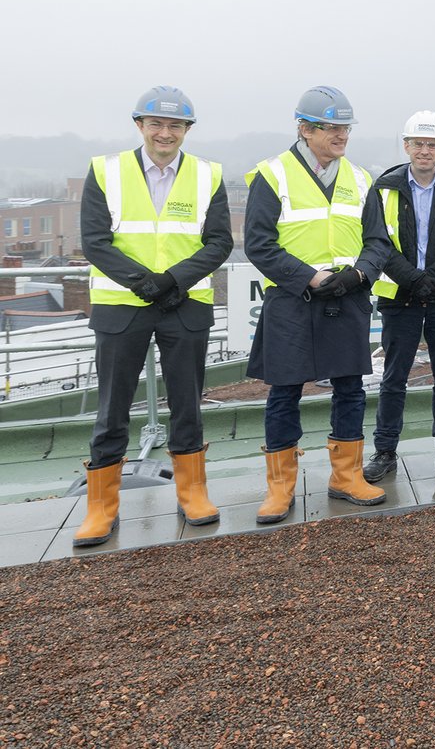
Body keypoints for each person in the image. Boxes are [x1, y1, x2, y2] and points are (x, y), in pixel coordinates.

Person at [73, 86, 233, 547]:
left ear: (187, 130)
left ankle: (193, 493)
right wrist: (141, 281)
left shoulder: (208, 174)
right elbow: (95, 240)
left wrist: (172, 281)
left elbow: (219, 241)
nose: (166, 133)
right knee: (112, 409)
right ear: (139, 125)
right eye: (156, 124)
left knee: (188, 403)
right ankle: (102, 507)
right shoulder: (105, 171)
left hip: (183, 304)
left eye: (176, 126)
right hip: (122, 304)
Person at [245, 86, 389, 523]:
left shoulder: (361, 178)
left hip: (346, 297)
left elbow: (378, 241)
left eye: (345, 127)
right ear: (304, 129)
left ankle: (346, 477)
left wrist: (360, 273)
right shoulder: (272, 175)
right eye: (331, 127)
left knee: (349, 388)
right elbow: (259, 244)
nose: (341, 135)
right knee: (285, 391)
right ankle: (280, 487)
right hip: (292, 300)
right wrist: (310, 276)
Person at [362, 111, 435, 483]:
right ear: (406, 146)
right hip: (401, 294)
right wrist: (413, 279)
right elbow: (376, 239)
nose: (425, 151)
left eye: (432, 144)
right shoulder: (383, 188)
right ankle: (385, 450)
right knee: (394, 376)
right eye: (418, 144)